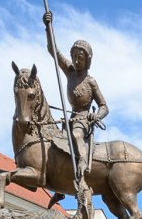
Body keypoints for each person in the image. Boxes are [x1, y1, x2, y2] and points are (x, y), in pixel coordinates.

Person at [44, 11, 108, 183]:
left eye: (80, 58)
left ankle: (81, 163)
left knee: (77, 135)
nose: (76, 60)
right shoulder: (70, 72)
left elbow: (104, 106)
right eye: (74, 57)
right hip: (71, 117)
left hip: (83, 120)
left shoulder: (91, 82)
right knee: (55, 144)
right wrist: (48, 27)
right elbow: (53, 51)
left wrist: (96, 115)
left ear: (87, 60)